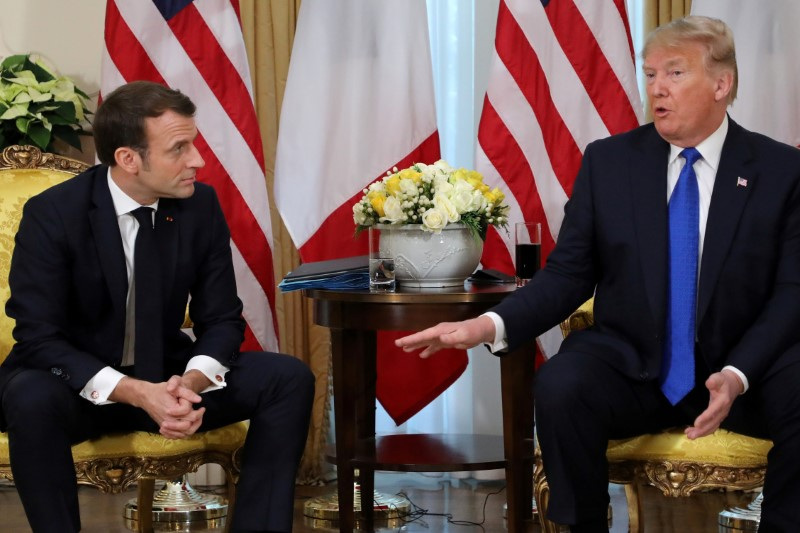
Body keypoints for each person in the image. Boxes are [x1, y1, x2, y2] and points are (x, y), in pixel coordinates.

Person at [396, 16, 800, 532]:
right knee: (564, 383)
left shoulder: (779, 170)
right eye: (650, 74)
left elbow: (792, 293)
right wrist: (486, 327)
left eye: (675, 74)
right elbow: (567, 276)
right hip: (634, 367)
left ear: (722, 84)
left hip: (743, 370)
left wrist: (739, 374)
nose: (657, 88)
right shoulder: (610, 163)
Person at [0, 81, 315, 533]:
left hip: (166, 378)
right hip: (77, 388)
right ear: (129, 159)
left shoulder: (199, 206)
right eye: (179, 149)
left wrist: (188, 383)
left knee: (286, 378)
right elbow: (38, 337)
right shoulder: (54, 213)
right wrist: (135, 392)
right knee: (29, 395)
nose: (197, 161)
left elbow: (222, 318)